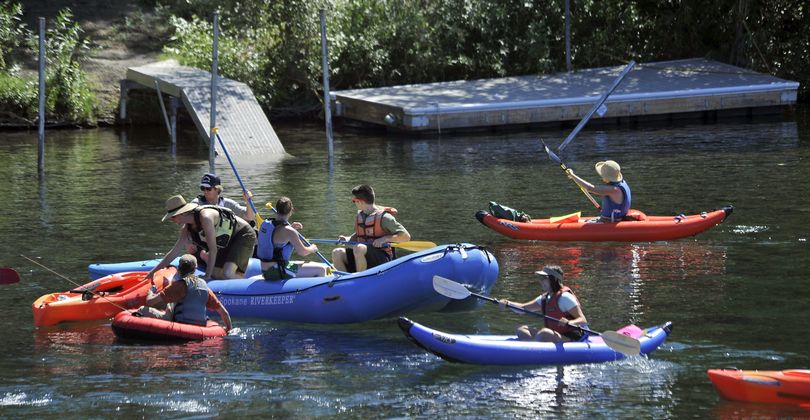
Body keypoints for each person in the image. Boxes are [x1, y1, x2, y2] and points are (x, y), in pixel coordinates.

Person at [146, 194, 257, 280]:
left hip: (243, 235)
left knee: (227, 273)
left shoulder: (205, 218)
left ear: (181, 214)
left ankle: (248, 286)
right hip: (226, 240)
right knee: (215, 273)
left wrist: (207, 276)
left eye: (172, 217)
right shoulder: (186, 228)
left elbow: (213, 250)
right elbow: (173, 253)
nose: (171, 220)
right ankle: (237, 275)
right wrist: (151, 273)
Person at [136, 254, 232, 332]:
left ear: (179, 268)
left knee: (142, 309)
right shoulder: (205, 287)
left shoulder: (178, 286)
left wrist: (151, 292)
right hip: (200, 328)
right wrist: (227, 329)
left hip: (180, 326)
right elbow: (225, 313)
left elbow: (150, 302)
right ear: (195, 269)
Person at [499, 265, 588, 343]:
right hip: (554, 334)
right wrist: (507, 303)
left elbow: (583, 319)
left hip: (571, 338)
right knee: (521, 330)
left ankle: (536, 346)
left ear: (554, 279)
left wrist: (569, 322)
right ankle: (533, 348)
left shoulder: (565, 297)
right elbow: (523, 308)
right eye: (540, 278)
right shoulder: (545, 298)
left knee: (544, 333)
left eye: (544, 278)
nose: (541, 281)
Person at [332, 184, 410, 273]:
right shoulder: (361, 216)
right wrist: (347, 239)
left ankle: (361, 279)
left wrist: (385, 239)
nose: (354, 203)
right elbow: (360, 234)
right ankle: (343, 280)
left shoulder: (385, 218)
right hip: (361, 255)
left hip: (381, 259)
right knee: (337, 252)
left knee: (359, 248)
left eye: (354, 200)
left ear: (359, 201)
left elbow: (406, 237)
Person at [256, 196, 328, 280]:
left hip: (266, 268)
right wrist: (312, 248)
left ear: (277, 210)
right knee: (321, 270)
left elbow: (277, 237)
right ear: (291, 211)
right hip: (277, 270)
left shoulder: (268, 224)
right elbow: (303, 252)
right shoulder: (289, 231)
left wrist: (291, 228)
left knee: (310, 263)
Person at [566, 160, 631, 222]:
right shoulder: (622, 183)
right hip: (615, 218)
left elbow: (590, 188)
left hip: (609, 221)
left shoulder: (614, 189)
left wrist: (573, 175)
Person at [192, 173, 256, 226]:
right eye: (203, 188)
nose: (205, 191)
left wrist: (248, 201)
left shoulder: (229, 204)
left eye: (208, 189)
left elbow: (249, 217)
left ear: (217, 189)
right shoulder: (196, 203)